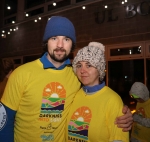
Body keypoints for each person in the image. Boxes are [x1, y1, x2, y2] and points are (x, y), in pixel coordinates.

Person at [0, 16, 132, 142]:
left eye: (66, 39)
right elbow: (4, 120)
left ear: (72, 44)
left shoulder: (76, 75)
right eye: (54, 38)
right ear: (46, 42)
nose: (60, 45)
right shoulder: (22, 73)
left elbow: (96, 96)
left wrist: (121, 112)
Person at [66, 42, 129, 142]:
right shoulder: (74, 96)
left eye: (89, 65)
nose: (82, 70)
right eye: (79, 65)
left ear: (99, 69)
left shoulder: (112, 99)